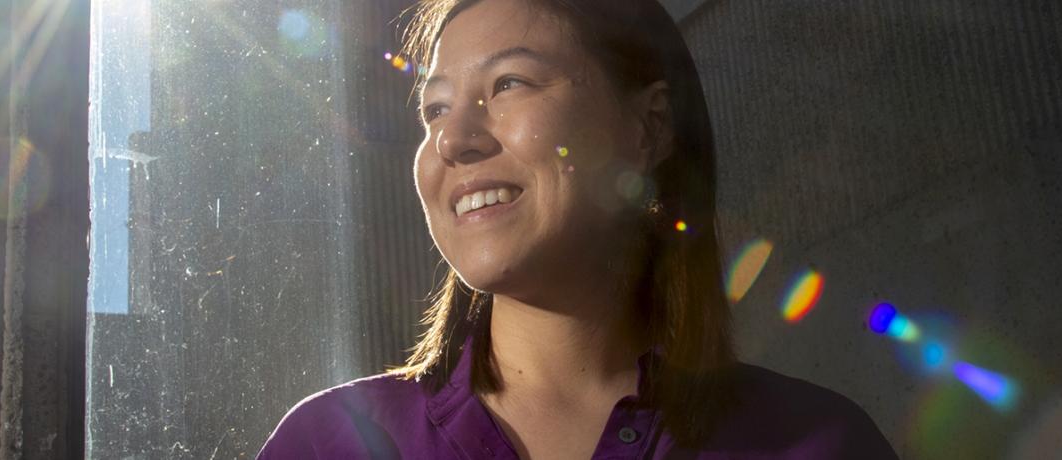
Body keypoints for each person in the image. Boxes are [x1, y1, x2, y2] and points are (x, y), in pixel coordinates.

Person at [260, 0, 896, 457]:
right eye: (434, 109)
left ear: (647, 129)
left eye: (509, 83)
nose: (452, 139)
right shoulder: (329, 443)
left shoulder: (819, 442)